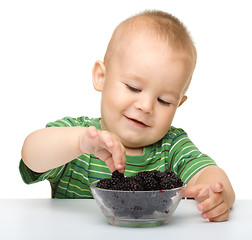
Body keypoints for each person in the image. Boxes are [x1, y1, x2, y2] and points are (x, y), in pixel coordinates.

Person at [20, 10, 235, 222]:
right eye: (133, 88)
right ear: (101, 77)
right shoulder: (78, 136)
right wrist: (79, 142)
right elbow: (30, 155)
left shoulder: (172, 147)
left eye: (164, 101)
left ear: (179, 104)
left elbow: (207, 172)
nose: (146, 106)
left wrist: (216, 192)